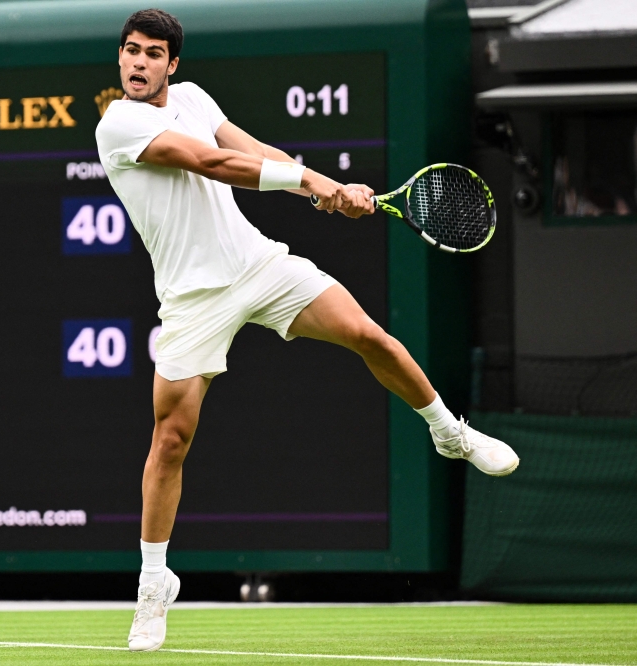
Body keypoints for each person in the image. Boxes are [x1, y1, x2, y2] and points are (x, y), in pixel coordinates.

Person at [95, 8, 521, 654]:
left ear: (173, 65)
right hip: (191, 298)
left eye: (153, 54)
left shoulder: (190, 97)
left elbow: (248, 148)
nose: (138, 62)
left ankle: (449, 432)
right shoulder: (119, 122)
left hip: (258, 264)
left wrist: (314, 188)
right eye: (131, 51)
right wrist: (317, 180)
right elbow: (211, 164)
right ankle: (154, 583)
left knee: (367, 335)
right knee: (171, 439)